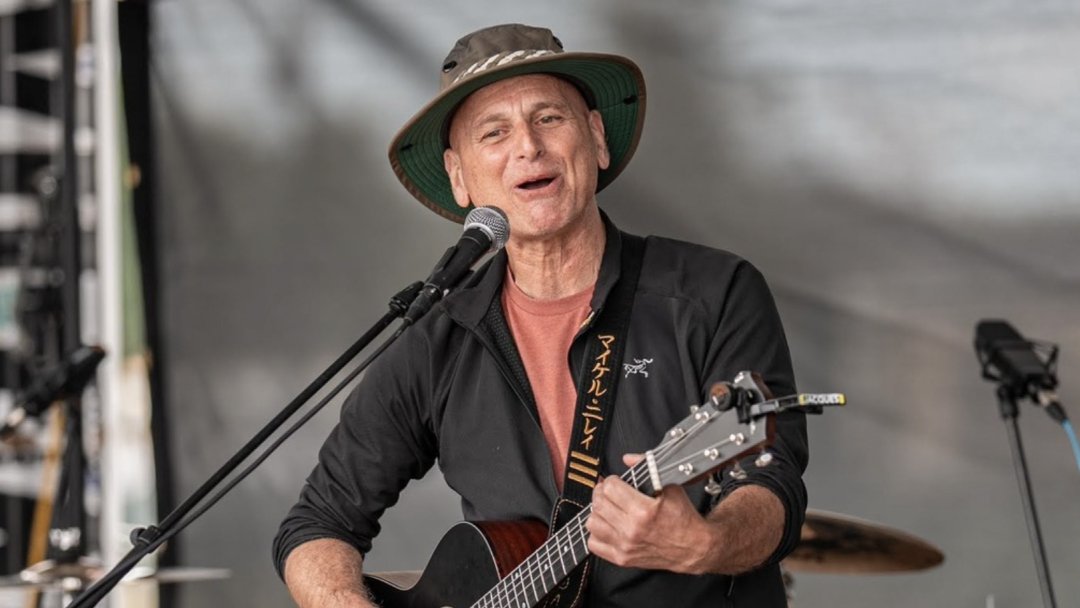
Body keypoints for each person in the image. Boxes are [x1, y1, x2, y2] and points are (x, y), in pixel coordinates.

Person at [273, 23, 807, 608]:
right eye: (494, 132)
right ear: (459, 177)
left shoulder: (713, 292)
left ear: (596, 139)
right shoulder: (437, 339)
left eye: (549, 118)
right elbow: (316, 525)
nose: (527, 146)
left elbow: (767, 483)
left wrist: (706, 543)